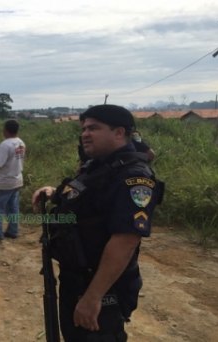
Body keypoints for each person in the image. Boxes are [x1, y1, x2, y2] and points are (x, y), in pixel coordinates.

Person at [32, 104, 164, 341]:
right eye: (83, 128)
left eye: (94, 128)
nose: (85, 134)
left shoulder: (134, 177)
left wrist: (93, 297)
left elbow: (125, 241)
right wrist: (53, 192)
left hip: (102, 289)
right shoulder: (97, 166)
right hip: (75, 279)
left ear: (119, 132)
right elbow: (86, 198)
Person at [0, 119, 26, 242]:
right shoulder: (21, 143)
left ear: (6, 130)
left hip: (3, 182)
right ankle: (13, 231)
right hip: (17, 179)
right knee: (13, 207)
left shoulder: (5, 145)